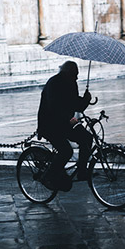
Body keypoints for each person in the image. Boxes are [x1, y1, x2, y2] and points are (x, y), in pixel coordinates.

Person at [37, 61, 93, 191]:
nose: (77, 77)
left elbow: (75, 105)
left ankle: (82, 171)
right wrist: (69, 118)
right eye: (75, 74)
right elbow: (54, 107)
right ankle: (48, 176)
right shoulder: (53, 83)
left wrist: (86, 100)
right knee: (66, 151)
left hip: (66, 123)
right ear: (67, 73)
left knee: (87, 138)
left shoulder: (72, 83)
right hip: (50, 125)